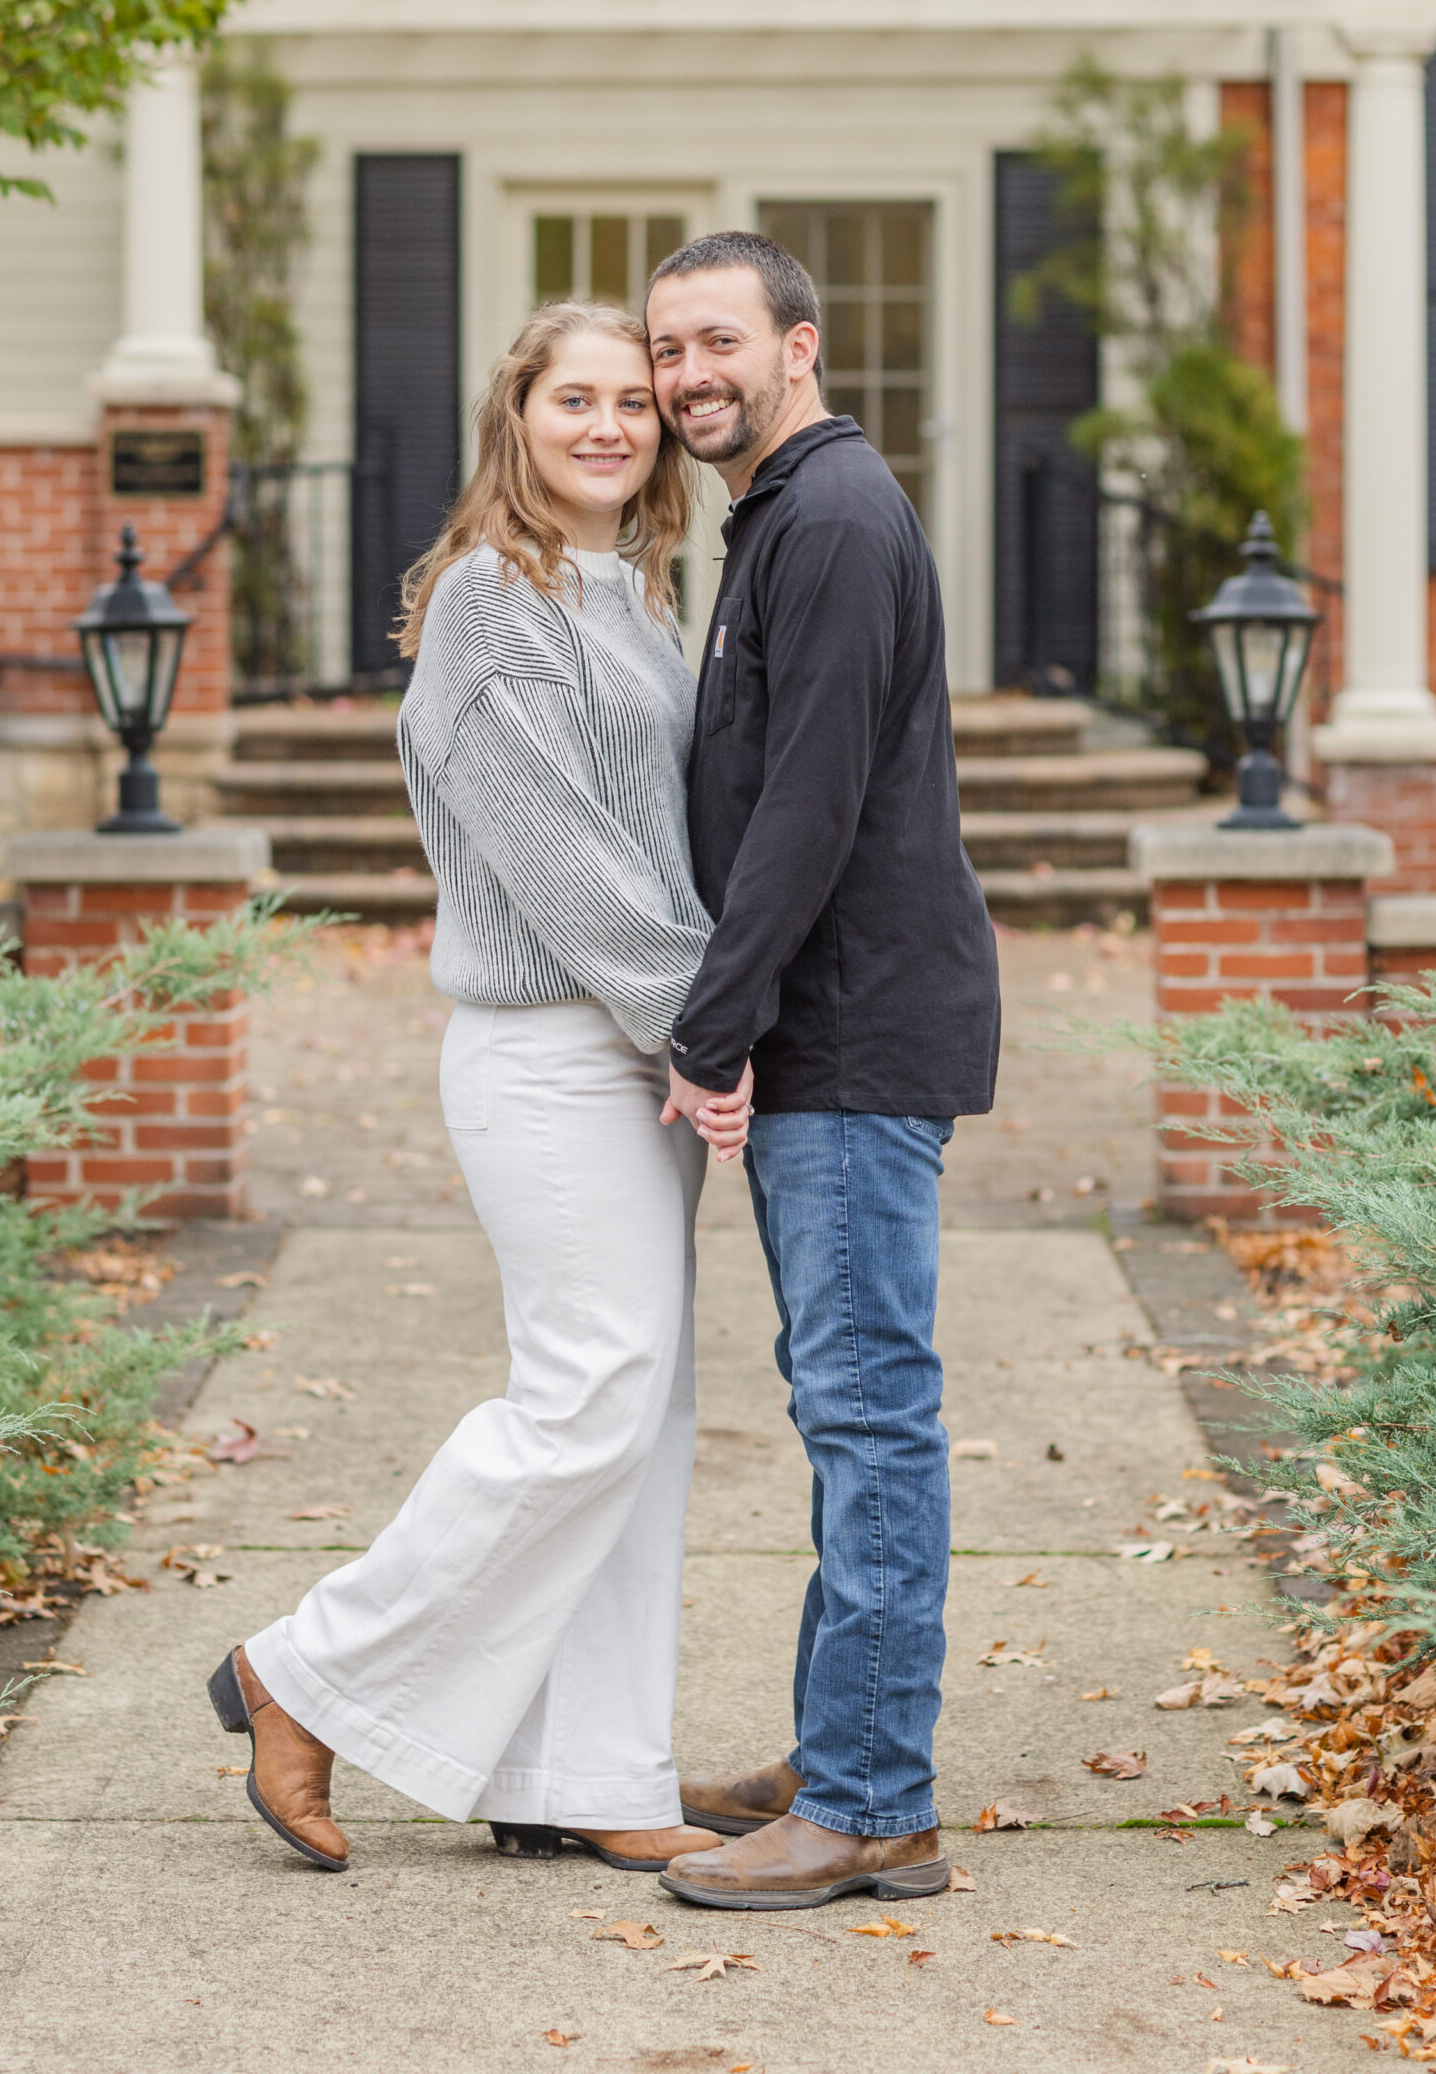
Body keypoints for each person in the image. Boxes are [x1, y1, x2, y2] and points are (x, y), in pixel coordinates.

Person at [209, 300, 752, 1874]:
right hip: (551, 1052)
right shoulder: (486, 604)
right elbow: (570, 867)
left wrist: (695, 1023)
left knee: (639, 1418)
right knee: (585, 1399)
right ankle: (300, 1674)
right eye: (568, 398)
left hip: (634, 1048)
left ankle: (585, 1769)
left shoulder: (630, 595)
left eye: (629, 403)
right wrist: (703, 1031)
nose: (607, 426)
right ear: (512, 419)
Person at [643, 231, 1002, 1913]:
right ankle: (837, 1744)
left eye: (717, 341)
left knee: (867, 1417)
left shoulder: (835, 520)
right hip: (832, 1035)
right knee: (845, 1408)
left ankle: (868, 1801)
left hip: (849, 1039)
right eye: (665, 353)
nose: (685, 376)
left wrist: (709, 1026)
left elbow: (810, 800)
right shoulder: (789, 516)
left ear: (798, 345)